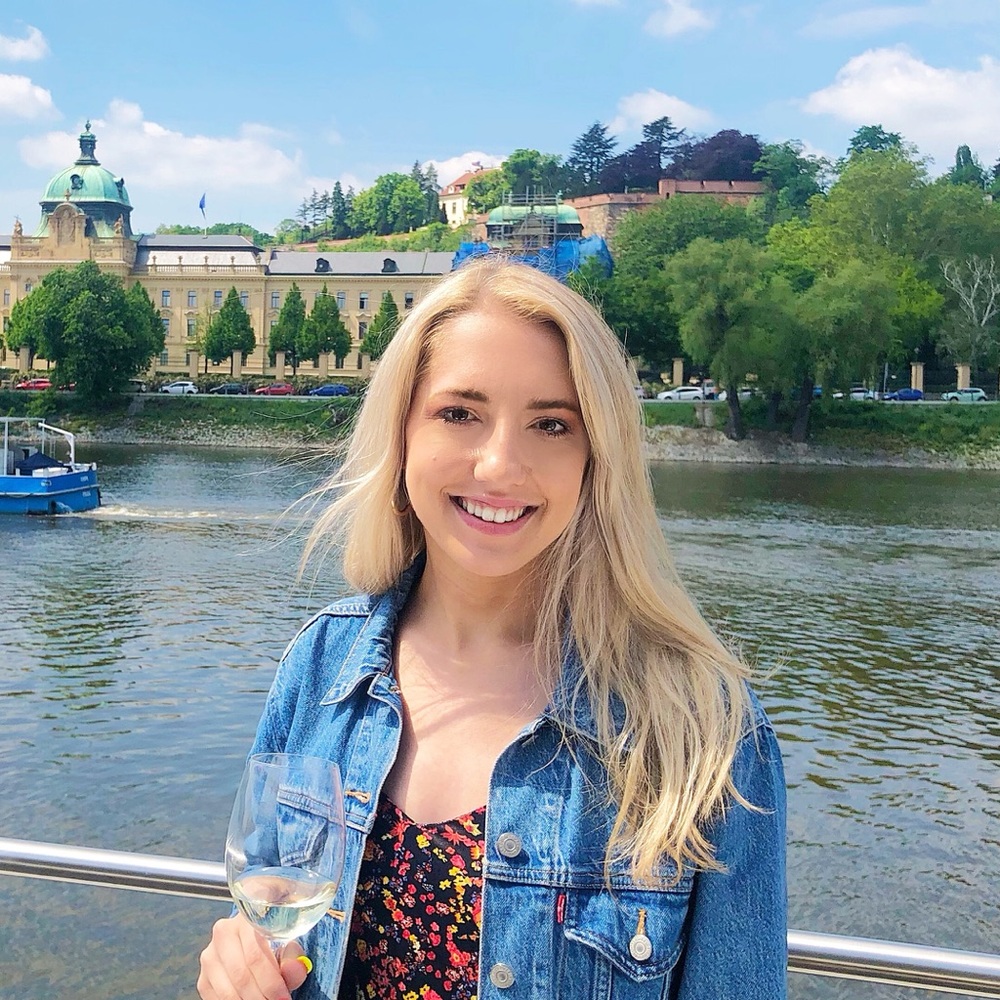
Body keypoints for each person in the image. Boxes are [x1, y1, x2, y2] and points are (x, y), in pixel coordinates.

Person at [197, 258, 787, 1000]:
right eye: (459, 413)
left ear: (595, 460)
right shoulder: (318, 665)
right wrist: (240, 975)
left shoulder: (704, 728)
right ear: (402, 434)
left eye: (551, 424)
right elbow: (265, 927)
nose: (500, 465)